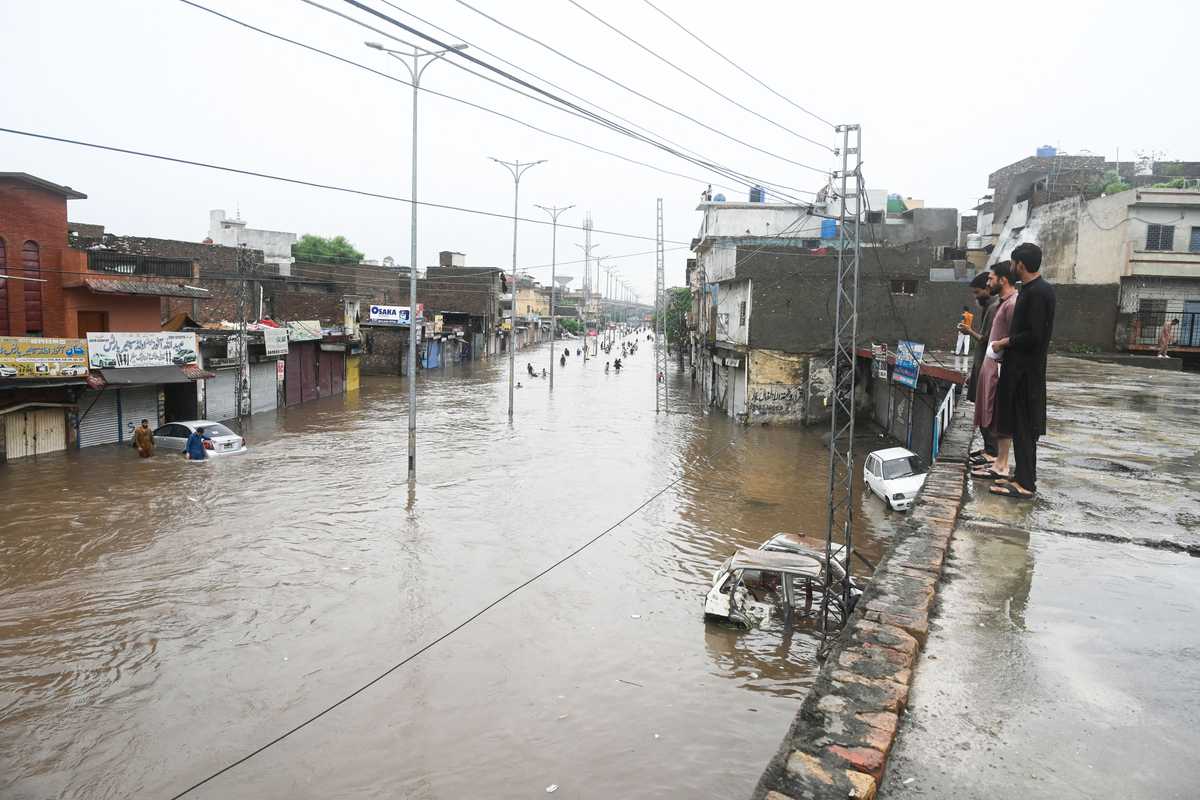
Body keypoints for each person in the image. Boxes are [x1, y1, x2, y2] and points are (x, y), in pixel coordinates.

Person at [990, 243, 1055, 500]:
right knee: (1020, 427)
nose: (1012, 267)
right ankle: (1022, 479)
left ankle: (1026, 484)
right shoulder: (1032, 290)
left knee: (1026, 429)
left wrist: (1005, 342)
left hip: (1026, 374)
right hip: (1020, 371)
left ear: (1021, 265)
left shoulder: (1038, 293)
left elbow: (1034, 336)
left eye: (1014, 263)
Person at [971, 263, 1017, 482]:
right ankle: (997, 462)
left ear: (1002, 280)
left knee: (995, 415)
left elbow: (1016, 338)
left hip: (997, 367)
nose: (988, 284)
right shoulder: (1000, 304)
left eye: (990, 279)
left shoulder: (1010, 304)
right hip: (989, 364)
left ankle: (997, 460)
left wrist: (999, 346)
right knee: (988, 413)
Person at [963, 268, 1002, 461]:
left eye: (978, 292)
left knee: (987, 410)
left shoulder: (994, 308)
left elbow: (986, 340)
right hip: (981, 365)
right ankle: (988, 449)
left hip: (988, 366)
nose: (976, 297)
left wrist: (969, 331)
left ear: (987, 289)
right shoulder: (989, 307)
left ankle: (992, 452)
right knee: (981, 409)